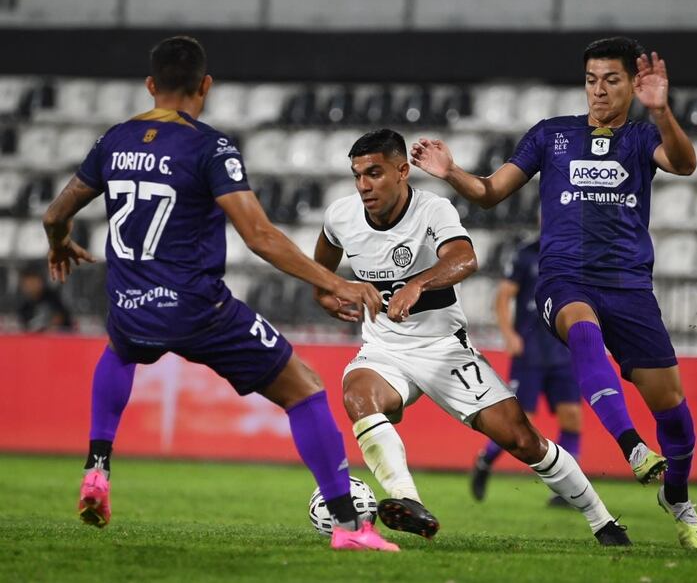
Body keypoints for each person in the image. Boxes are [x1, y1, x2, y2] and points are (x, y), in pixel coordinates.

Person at [42, 36, 397, 552]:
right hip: (196, 306)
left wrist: (60, 245)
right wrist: (336, 281)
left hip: (128, 303)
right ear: (205, 86)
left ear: (150, 86)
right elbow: (259, 236)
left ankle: (97, 467)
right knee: (304, 388)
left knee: (121, 350)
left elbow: (55, 214)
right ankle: (349, 527)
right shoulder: (209, 147)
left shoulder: (114, 140)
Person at [410, 37, 697, 550]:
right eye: (591, 80)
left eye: (611, 80)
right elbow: (490, 192)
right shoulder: (552, 136)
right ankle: (632, 446)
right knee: (582, 329)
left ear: (634, 86)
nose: (598, 91)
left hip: (630, 285)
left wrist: (662, 114)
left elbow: (683, 163)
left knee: (675, 412)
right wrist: (453, 173)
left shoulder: (640, 138)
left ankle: (677, 497)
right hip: (565, 278)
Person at [313, 128, 630, 546]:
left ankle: (603, 521)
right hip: (384, 348)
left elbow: (465, 258)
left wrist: (418, 285)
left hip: (445, 350)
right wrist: (325, 295)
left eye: (374, 173)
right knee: (357, 395)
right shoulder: (341, 216)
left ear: (403, 171)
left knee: (523, 440)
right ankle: (407, 500)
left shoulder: (433, 210)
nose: (364, 186)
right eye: (357, 175)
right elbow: (321, 268)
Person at [470, 235, 581, 507]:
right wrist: (509, 334)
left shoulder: (575, 252)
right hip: (530, 352)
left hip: (563, 352)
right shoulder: (525, 254)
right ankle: (486, 460)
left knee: (572, 418)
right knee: (521, 424)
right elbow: (504, 296)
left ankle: (567, 490)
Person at [17, 264, 74, 332]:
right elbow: (26, 328)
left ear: (41, 281)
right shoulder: (24, 307)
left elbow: (61, 318)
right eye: (28, 283)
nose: (31, 286)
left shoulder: (53, 298)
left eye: (33, 282)